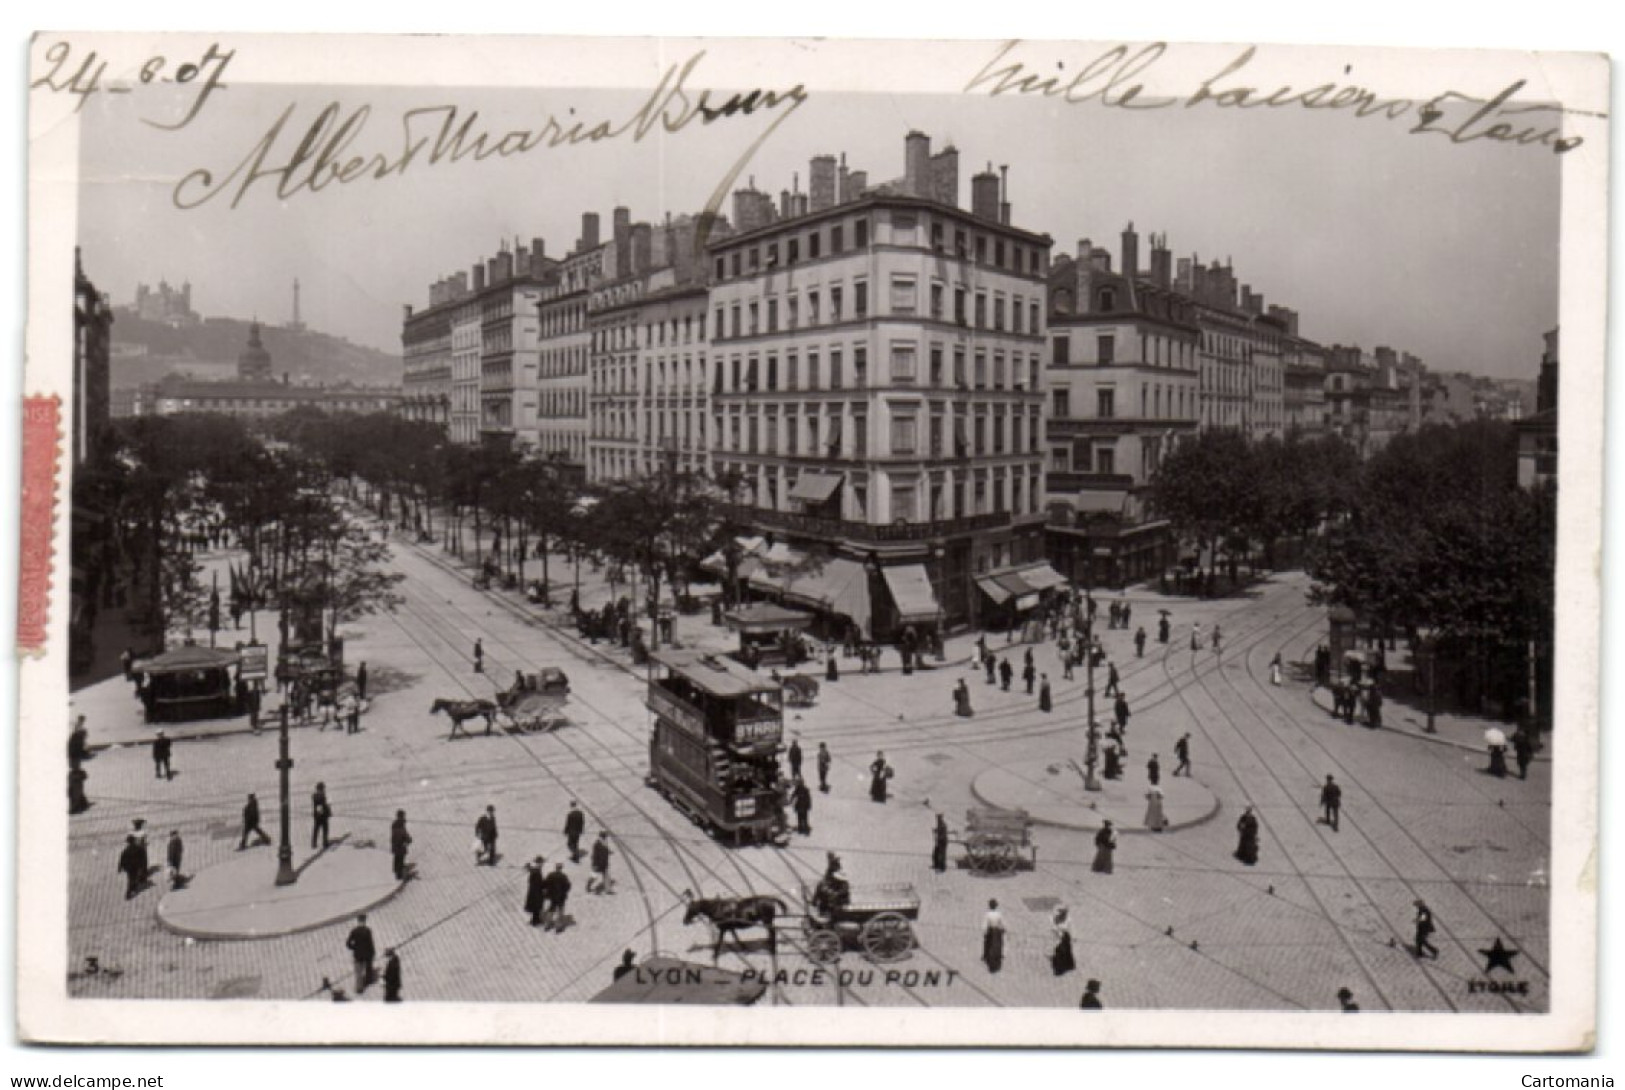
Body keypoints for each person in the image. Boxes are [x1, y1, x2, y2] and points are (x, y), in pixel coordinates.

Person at [346, 914, 376, 995]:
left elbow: (348, 944)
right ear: (364, 921)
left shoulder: (354, 931)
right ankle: (368, 980)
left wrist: (354, 947)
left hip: (358, 955)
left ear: (358, 921)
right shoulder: (367, 931)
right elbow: (370, 943)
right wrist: (373, 952)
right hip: (367, 954)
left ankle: (359, 988)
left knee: (358, 972)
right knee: (368, 967)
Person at [542, 862, 572, 932]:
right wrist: (564, 892)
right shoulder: (563, 876)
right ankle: (558, 927)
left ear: (555, 868)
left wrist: (547, 891)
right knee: (560, 911)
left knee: (551, 909)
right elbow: (568, 886)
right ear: (561, 868)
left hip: (552, 896)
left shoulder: (551, 875)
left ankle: (547, 924)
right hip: (561, 897)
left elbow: (545, 884)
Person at [117, 834, 146, 899]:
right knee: (133, 878)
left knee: (131, 878)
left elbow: (122, 859)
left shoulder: (126, 850)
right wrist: (142, 866)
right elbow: (142, 857)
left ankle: (133, 887)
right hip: (135, 866)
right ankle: (129, 892)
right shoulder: (138, 848)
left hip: (128, 868)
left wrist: (120, 867)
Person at [1051, 906, 1076, 976]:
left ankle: (1066, 966)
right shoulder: (1056, 919)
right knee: (1060, 950)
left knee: (1065, 951)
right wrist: (1057, 933)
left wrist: (1073, 937)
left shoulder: (1068, 920)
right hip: (1059, 937)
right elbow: (1054, 928)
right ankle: (1062, 966)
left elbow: (1071, 929)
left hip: (1066, 937)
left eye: (1064, 913)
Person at [981, 899, 1005, 973]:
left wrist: (984, 931)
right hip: (997, 931)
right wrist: (1003, 928)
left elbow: (985, 923)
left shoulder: (988, 914)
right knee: (1000, 943)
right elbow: (1002, 922)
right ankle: (1000, 954)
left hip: (990, 930)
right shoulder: (999, 914)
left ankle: (985, 955)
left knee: (987, 943)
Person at [391, 810, 413, 880]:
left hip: (397, 845)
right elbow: (402, 833)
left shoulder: (397, 824)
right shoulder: (399, 824)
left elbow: (403, 833)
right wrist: (407, 839)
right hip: (399, 845)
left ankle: (398, 872)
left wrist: (407, 838)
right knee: (400, 858)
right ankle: (400, 875)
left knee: (398, 858)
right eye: (403, 815)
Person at [525, 858, 547, 925]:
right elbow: (539, 883)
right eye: (541, 863)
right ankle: (535, 921)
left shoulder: (535, 870)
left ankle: (535, 919)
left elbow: (531, 871)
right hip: (536, 892)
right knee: (537, 906)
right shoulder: (537, 872)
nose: (542, 864)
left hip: (532, 891)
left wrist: (528, 867)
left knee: (535, 906)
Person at [312, 782, 332, 850]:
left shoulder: (314, 796)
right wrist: (329, 812)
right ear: (322, 789)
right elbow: (326, 805)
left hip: (317, 815)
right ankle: (325, 843)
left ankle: (314, 843)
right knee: (325, 829)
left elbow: (316, 805)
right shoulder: (323, 796)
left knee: (316, 829)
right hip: (323, 815)